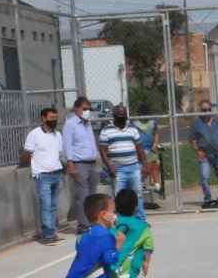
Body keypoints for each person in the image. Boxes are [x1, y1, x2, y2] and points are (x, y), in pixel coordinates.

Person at [21, 107, 66, 245]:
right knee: (45, 205)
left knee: (53, 205)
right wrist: (35, 168)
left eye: (56, 117)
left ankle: (52, 231)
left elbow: (58, 153)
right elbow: (26, 154)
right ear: (43, 118)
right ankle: (47, 235)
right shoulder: (34, 135)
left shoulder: (57, 135)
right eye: (52, 118)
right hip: (42, 175)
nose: (55, 120)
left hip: (56, 173)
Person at [98, 104, 148, 221]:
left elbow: (139, 148)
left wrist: (144, 165)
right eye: (120, 115)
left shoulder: (132, 129)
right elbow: (103, 150)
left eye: (124, 115)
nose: (123, 117)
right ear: (114, 116)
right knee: (119, 197)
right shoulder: (106, 131)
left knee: (138, 195)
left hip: (133, 168)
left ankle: (141, 220)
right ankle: (121, 221)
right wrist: (110, 168)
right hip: (117, 170)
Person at [107, 188, 153, 278]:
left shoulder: (112, 222)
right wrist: (146, 262)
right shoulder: (142, 227)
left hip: (109, 263)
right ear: (136, 208)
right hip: (127, 267)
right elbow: (148, 246)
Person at [62, 97, 99, 235]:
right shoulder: (71, 124)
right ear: (77, 109)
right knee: (83, 195)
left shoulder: (87, 123)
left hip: (91, 163)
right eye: (84, 108)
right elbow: (67, 145)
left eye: (89, 109)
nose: (87, 111)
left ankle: (92, 222)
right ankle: (83, 225)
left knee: (92, 195)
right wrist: (71, 164)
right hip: (80, 163)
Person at [189, 100, 218, 209]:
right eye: (204, 110)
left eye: (209, 109)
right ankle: (208, 199)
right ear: (200, 111)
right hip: (204, 155)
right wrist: (198, 151)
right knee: (205, 177)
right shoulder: (196, 123)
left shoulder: (217, 121)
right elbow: (192, 140)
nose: (207, 112)